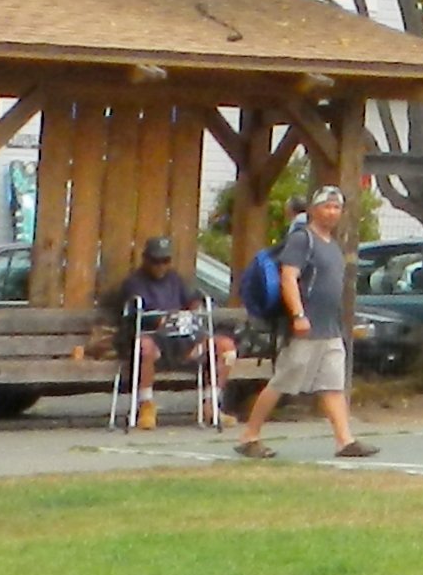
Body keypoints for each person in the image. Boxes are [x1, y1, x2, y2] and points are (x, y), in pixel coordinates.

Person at [239, 185, 377, 460]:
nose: (332, 212)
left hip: (329, 329)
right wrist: (298, 315)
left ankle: (344, 441)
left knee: (332, 385)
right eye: (327, 206)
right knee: (281, 382)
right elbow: (289, 278)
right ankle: (249, 437)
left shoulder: (333, 245)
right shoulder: (303, 240)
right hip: (305, 328)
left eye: (337, 207)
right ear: (314, 210)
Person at [109, 233, 214, 426]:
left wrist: (194, 308)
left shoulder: (175, 279)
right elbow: (140, 316)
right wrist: (164, 319)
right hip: (153, 338)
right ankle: (145, 405)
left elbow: (190, 301)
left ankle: (211, 405)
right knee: (145, 346)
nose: (161, 266)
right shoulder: (134, 282)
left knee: (223, 347)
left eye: (165, 261)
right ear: (146, 259)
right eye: (156, 261)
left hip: (181, 338)